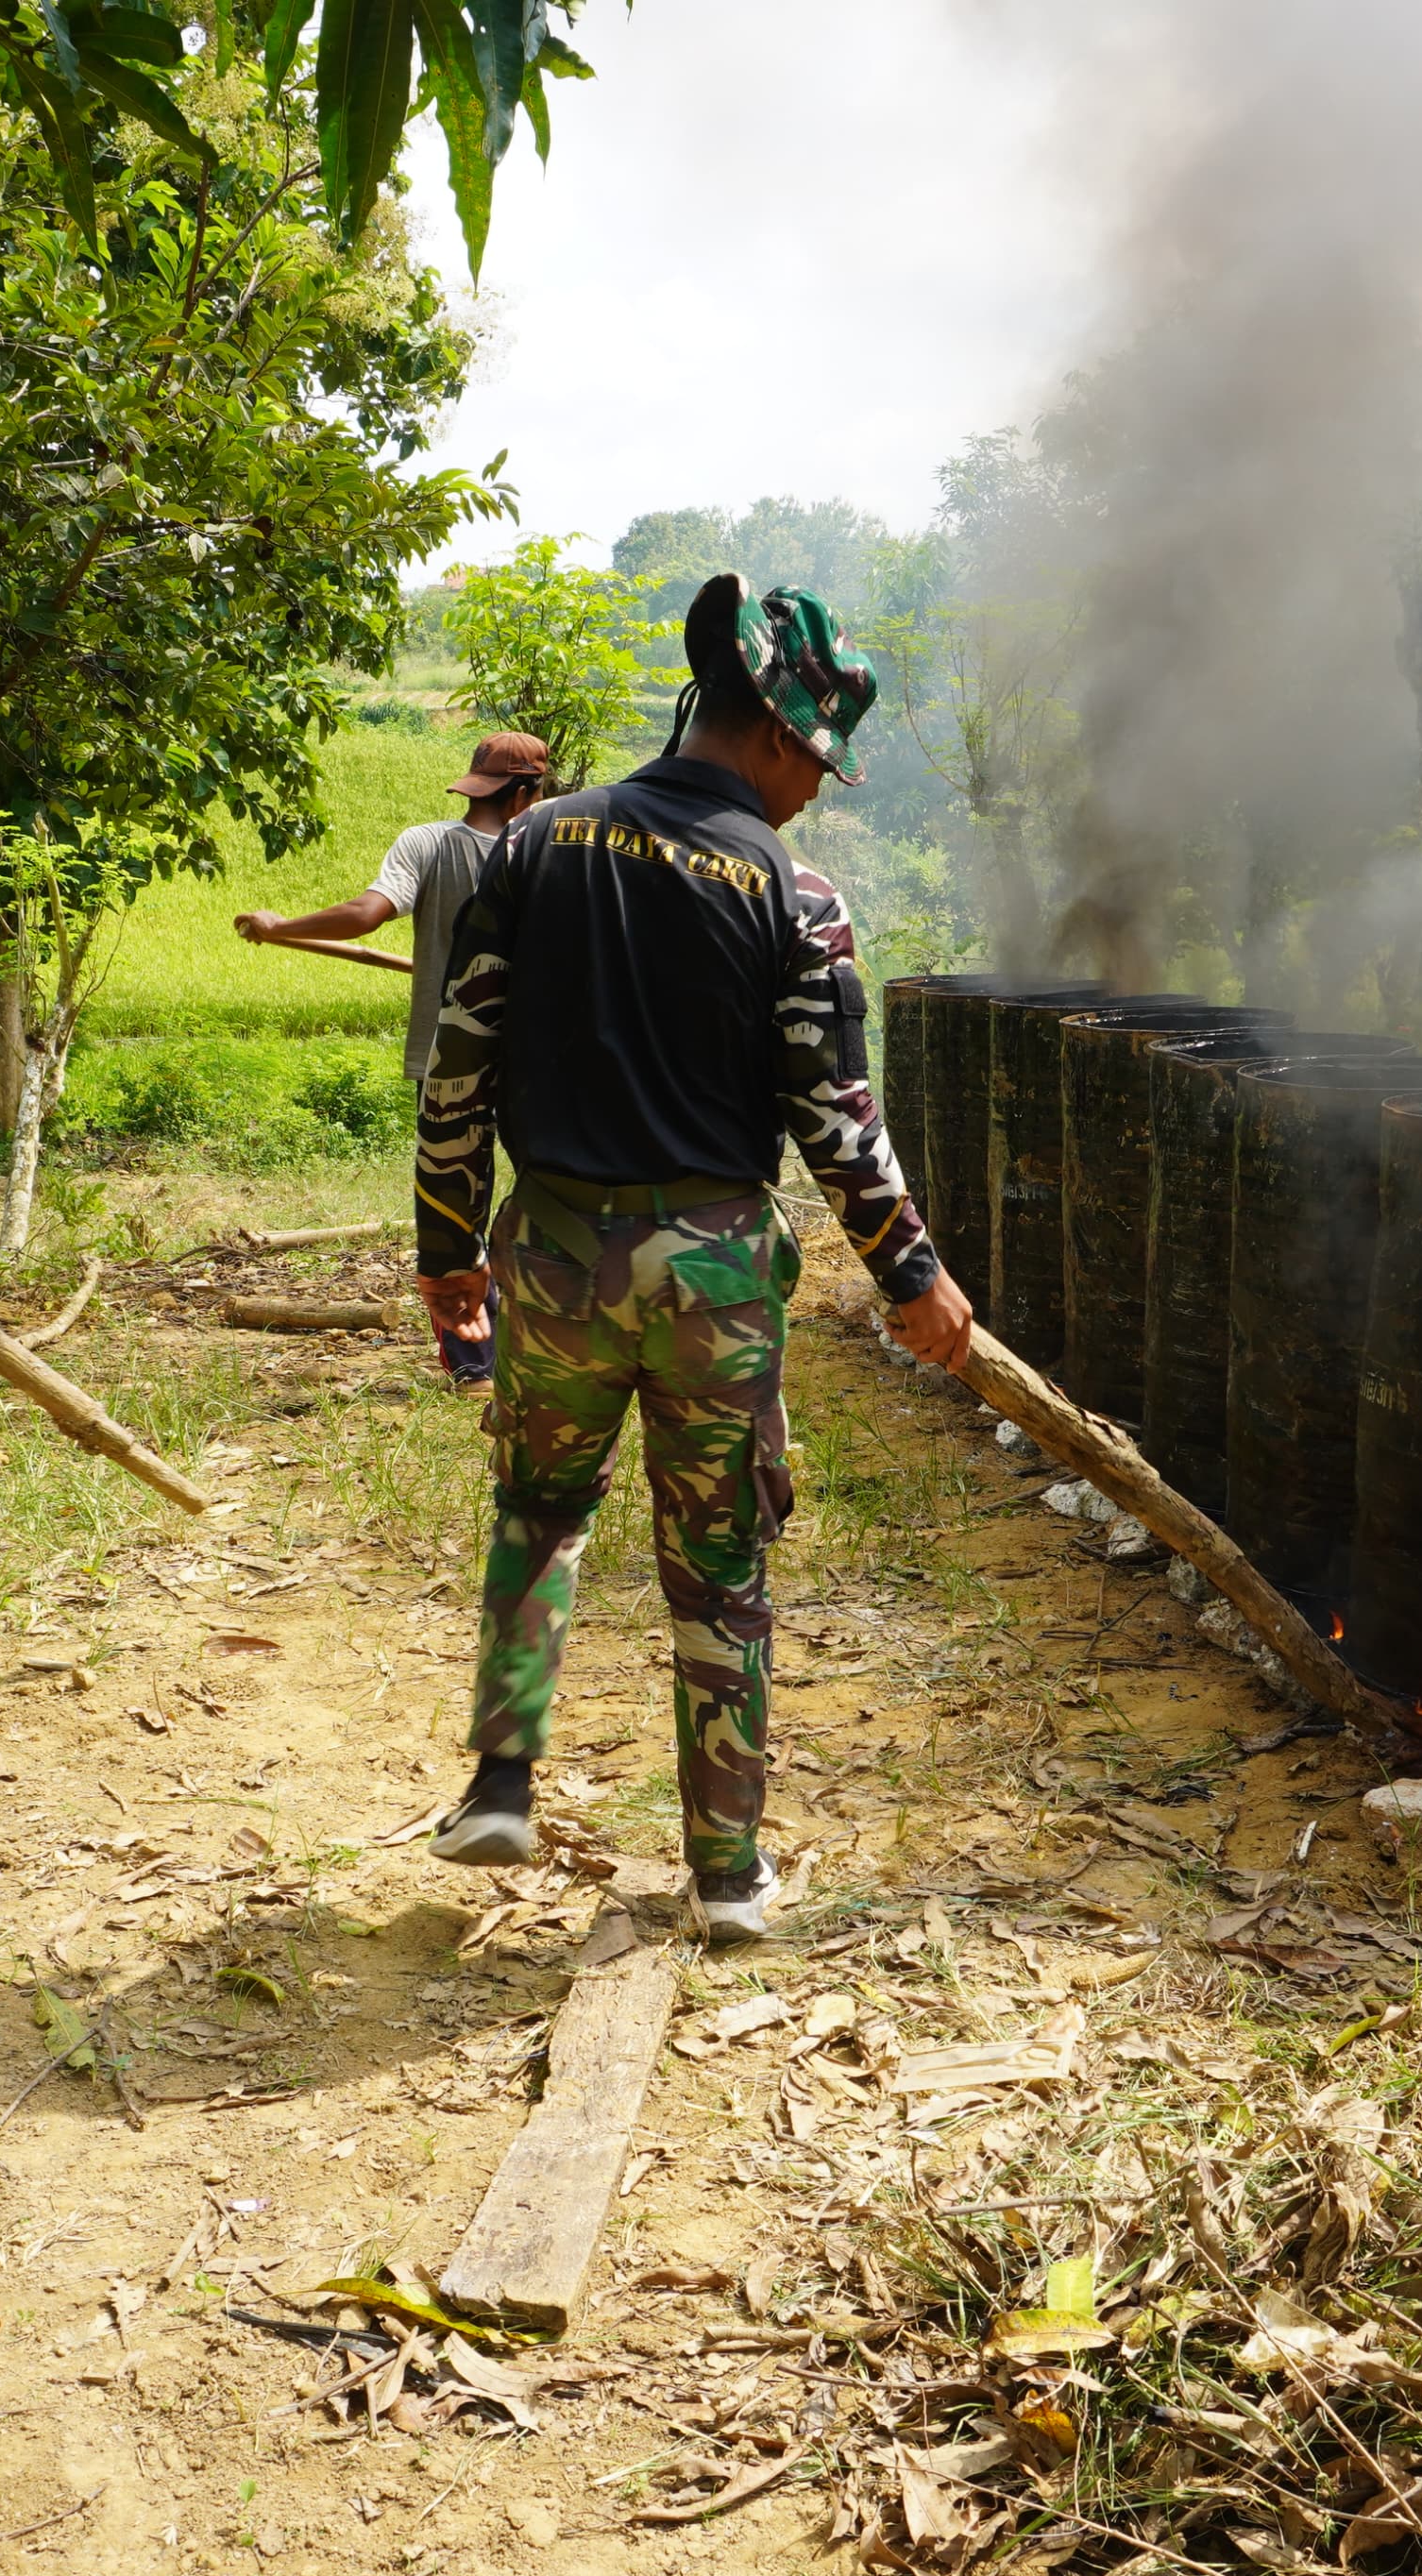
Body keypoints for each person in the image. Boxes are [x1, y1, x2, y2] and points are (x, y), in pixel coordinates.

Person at [407, 578, 976, 1945]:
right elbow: (836, 1119)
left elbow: (456, 1066)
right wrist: (913, 1274)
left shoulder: (535, 843)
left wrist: (444, 1246)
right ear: (777, 735)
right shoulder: (795, 891)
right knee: (719, 1566)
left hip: (548, 1248)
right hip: (713, 1265)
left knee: (540, 1507)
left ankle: (500, 1779)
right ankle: (726, 1873)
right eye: (816, 767)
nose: (815, 796)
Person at [233, 730, 552, 1385]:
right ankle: (554, 1349)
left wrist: (279, 926)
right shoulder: (549, 852)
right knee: (550, 1198)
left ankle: (475, 1364)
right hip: (540, 1060)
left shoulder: (427, 842)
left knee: (453, 1212)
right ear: (528, 792)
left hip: (450, 1062)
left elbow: (367, 912)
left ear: (478, 786)